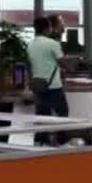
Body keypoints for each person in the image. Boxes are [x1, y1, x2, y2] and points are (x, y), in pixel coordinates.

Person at [28, 15, 67, 145]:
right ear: (47, 28)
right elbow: (62, 62)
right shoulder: (52, 44)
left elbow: (29, 65)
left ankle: (40, 140)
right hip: (53, 86)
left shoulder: (30, 44)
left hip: (38, 85)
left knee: (42, 115)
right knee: (62, 113)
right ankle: (61, 140)